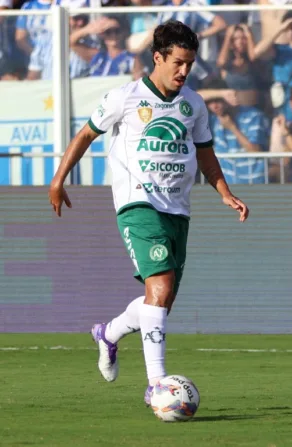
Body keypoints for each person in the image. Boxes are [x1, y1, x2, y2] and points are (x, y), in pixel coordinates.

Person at [47, 20, 249, 406]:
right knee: (161, 287)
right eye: (177, 62)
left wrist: (224, 191)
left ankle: (108, 333)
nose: (183, 71)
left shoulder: (194, 103)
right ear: (157, 57)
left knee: (161, 302)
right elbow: (86, 134)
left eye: (189, 63)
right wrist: (59, 180)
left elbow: (205, 153)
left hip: (178, 209)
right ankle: (157, 385)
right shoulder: (125, 97)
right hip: (137, 203)